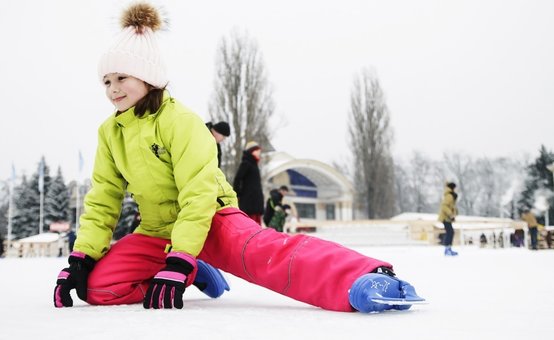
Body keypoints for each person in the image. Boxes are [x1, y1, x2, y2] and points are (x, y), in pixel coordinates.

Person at [53, 2, 423, 313]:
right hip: (156, 231)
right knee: (99, 288)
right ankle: (195, 270)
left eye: (122, 77)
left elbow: (197, 191)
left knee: (266, 254)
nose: (113, 89)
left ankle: (361, 277)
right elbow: (102, 198)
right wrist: (81, 258)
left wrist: (181, 254)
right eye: (106, 81)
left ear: (148, 78)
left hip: (211, 218)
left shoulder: (180, 121)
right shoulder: (110, 133)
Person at [233, 141, 264, 225]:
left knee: (257, 226)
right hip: (248, 202)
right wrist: (238, 194)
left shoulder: (254, 164)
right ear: (252, 151)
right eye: (257, 150)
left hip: (255, 202)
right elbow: (237, 179)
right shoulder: (246, 163)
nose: (259, 153)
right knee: (249, 225)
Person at [438, 182, 458, 256]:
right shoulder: (449, 196)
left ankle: (448, 249)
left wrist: (455, 213)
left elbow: (452, 206)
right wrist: (450, 214)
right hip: (446, 218)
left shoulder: (450, 195)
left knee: (450, 232)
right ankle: (447, 250)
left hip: (447, 218)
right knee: (450, 232)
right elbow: (444, 206)